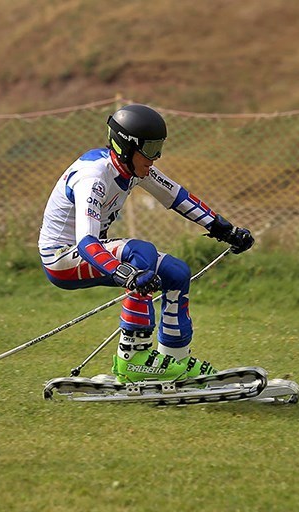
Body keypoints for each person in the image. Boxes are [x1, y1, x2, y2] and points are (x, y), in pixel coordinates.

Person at [38, 104, 254, 384]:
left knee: (177, 272)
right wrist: (124, 272)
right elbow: (87, 242)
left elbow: (178, 197)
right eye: (150, 149)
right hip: (63, 257)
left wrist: (225, 229)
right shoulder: (93, 178)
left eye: (159, 147)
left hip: (90, 250)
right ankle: (133, 360)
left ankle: (175, 361)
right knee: (142, 253)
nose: (156, 157)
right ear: (127, 147)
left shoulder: (131, 168)